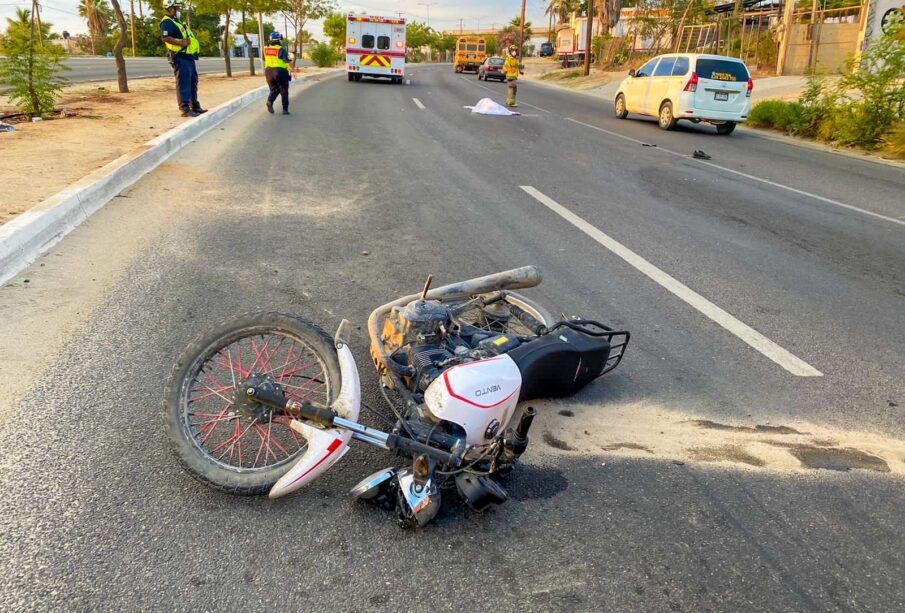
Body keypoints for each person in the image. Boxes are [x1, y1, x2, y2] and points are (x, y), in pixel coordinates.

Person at [160, 1, 206, 117]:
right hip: (179, 56)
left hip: (188, 56)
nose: (178, 10)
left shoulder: (177, 21)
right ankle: (185, 109)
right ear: (170, 8)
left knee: (192, 82)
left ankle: (194, 105)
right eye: (176, 8)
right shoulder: (167, 22)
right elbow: (166, 37)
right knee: (184, 83)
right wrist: (181, 42)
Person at [263, 32, 295, 115]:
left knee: (274, 89)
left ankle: (270, 101)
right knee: (284, 91)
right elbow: (287, 61)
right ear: (279, 39)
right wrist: (293, 70)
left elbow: (265, 59)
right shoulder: (281, 49)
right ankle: (285, 110)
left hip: (268, 72)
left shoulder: (265, 48)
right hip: (280, 72)